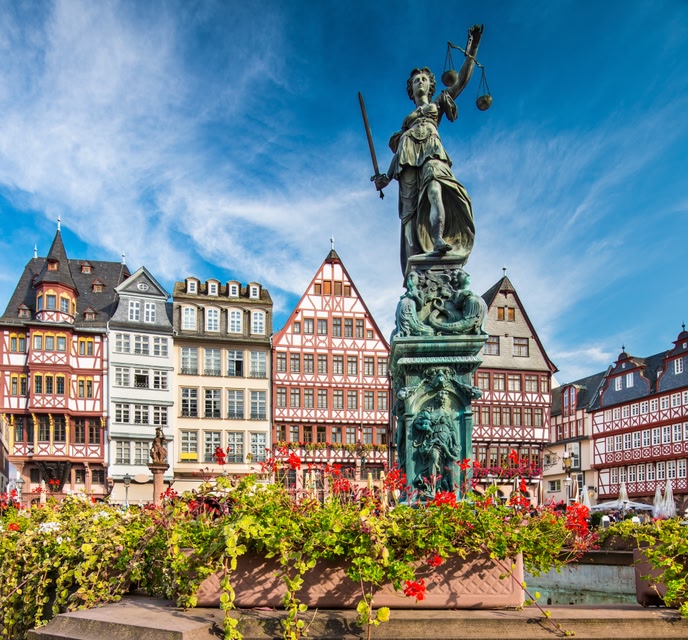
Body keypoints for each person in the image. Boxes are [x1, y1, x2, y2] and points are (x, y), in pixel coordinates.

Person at [374, 25, 483, 275]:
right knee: (409, 216)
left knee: (436, 188)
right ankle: (415, 271)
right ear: (410, 90)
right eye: (415, 81)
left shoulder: (437, 105)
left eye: (423, 79)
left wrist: (472, 49)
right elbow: (400, 154)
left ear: (430, 86)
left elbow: (463, 81)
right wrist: (386, 179)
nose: (419, 83)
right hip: (408, 165)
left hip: (433, 156)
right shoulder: (405, 129)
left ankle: (438, 240)